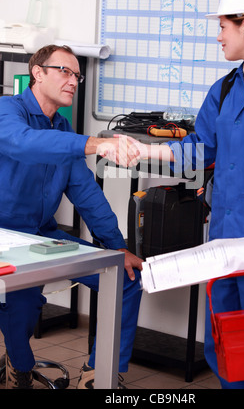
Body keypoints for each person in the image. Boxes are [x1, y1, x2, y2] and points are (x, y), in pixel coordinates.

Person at [109, 0, 244, 389]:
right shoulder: (225, 88)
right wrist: (140, 151)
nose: (218, 37)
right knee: (222, 340)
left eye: (223, 27)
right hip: (222, 236)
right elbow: (199, 151)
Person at [0, 44, 143, 389]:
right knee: (21, 300)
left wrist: (116, 248)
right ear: (37, 73)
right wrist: (95, 144)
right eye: (65, 71)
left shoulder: (63, 129)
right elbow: (25, 143)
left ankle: (99, 374)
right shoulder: (7, 110)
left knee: (125, 279)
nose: (73, 81)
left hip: (43, 236)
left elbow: (87, 195)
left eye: (77, 75)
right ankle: (18, 367)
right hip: (6, 237)